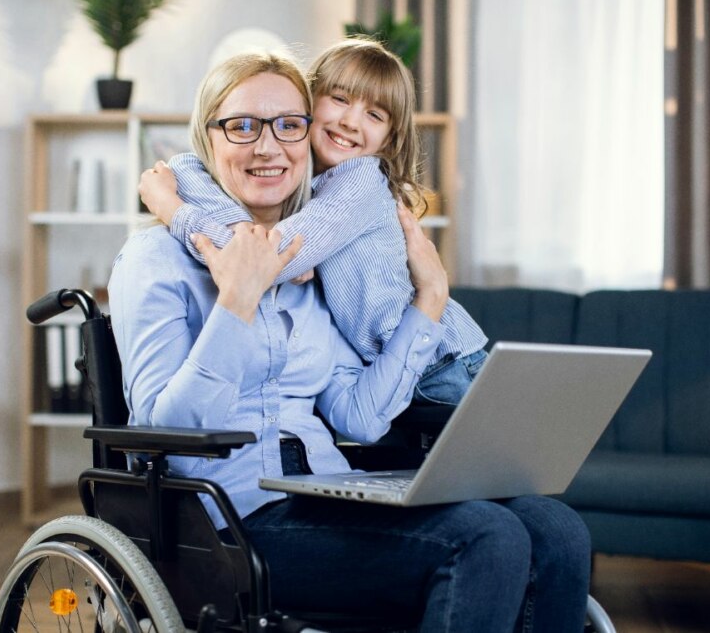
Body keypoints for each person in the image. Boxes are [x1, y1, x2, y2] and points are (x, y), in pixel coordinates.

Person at [109, 50, 591, 632]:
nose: (268, 147)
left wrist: (429, 301)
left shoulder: (315, 267)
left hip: (326, 492)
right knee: (485, 539)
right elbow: (169, 437)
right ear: (206, 139)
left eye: (289, 125)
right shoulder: (155, 260)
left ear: (308, 136)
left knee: (557, 528)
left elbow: (358, 418)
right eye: (242, 126)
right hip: (229, 520)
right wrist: (235, 302)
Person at [139, 38, 487, 409]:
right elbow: (187, 167)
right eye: (339, 99)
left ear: (389, 139)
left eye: (375, 115)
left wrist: (174, 210)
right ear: (310, 100)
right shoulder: (304, 187)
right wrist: (240, 226)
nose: (351, 122)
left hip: (444, 364)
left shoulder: (360, 180)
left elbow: (257, 265)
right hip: (396, 369)